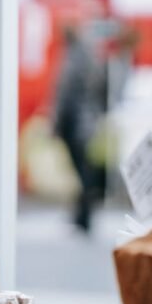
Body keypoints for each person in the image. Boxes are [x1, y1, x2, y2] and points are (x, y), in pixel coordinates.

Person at [52, 26, 106, 232]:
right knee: (84, 169)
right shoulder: (90, 57)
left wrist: (56, 122)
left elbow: (63, 94)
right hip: (86, 121)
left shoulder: (74, 58)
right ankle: (83, 213)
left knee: (82, 171)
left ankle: (84, 214)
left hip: (76, 122)